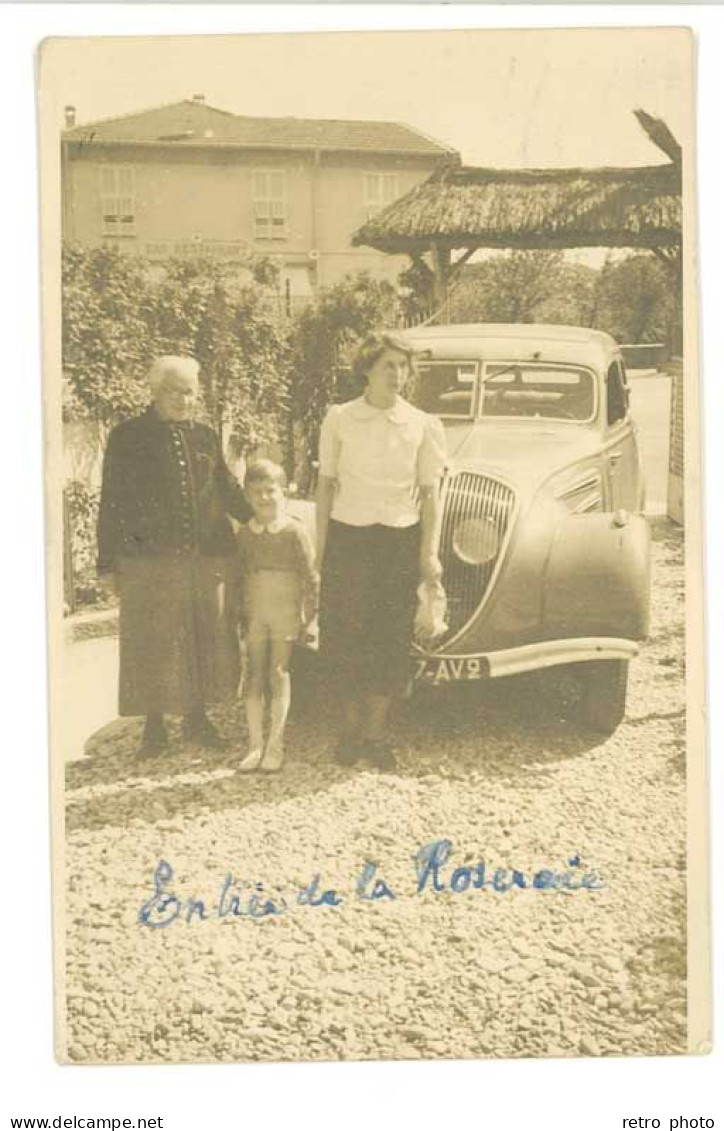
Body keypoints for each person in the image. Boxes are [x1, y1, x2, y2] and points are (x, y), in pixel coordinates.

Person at [96, 355, 252, 757]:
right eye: (175, 391)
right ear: (155, 391)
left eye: (190, 392)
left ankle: (197, 720)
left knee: (201, 637)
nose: (184, 399)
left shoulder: (204, 435)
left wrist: (259, 521)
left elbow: (226, 485)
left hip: (204, 556)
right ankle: (154, 728)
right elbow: (112, 501)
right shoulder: (127, 437)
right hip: (148, 558)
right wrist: (106, 564)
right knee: (153, 641)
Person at [315, 331, 447, 771]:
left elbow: (431, 495)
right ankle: (350, 734)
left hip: (397, 541)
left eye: (403, 367)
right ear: (367, 369)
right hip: (348, 539)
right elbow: (326, 485)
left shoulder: (423, 424)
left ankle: (375, 736)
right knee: (346, 635)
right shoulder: (339, 418)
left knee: (388, 640)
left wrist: (428, 555)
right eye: (388, 365)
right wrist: (321, 548)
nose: (397, 374)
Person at [236, 460, 319, 773]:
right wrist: (239, 615)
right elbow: (239, 576)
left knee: (278, 673)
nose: (264, 498)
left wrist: (309, 617)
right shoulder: (245, 534)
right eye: (256, 492)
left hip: (285, 611)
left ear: (283, 493)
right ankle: (255, 744)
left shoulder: (294, 531)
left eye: (270, 490)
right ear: (247, 496)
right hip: (257, 613)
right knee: (254, 675)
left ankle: (276, 744)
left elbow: (311, 576)